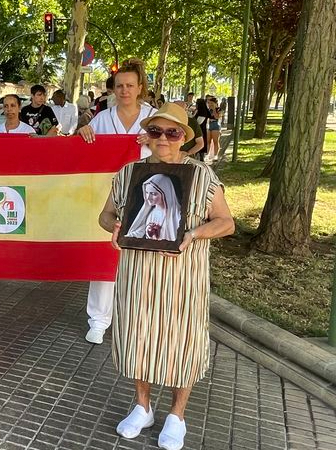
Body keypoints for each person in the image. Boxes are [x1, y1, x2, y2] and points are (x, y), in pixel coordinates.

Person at [98, 101, 234, 450]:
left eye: (172, 132)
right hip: (137, 276)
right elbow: (105, 215)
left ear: (183, 137)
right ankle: (142, 407)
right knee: (137, 339)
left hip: (183, 279)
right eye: (156, 131)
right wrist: (115, 226)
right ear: (146, 134)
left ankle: (177, 415)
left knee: (182, 343)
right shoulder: (129, 174)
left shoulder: (201, 176)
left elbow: (226, 222)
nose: (163, 138)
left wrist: (194, 234)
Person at [76, 58, 156, 346]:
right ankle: (98, 320)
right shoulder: (102, 119)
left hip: (149, 198)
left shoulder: (154, 119)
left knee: (144, 259)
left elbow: (176, 147)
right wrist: (83, 132)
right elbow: (84, 153)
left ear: (140, 87)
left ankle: (138, 320)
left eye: (130, 86)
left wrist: (154, 139)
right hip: (108, 198)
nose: (124, 91)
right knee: (105, 256)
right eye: (120, 86)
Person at [124, 174, 181, 241]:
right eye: (147, 192)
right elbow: (140, 231)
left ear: (165, 194)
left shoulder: (177, 215)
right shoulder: (151, 213)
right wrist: (125, 238)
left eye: (153, 194)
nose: (148, 197)